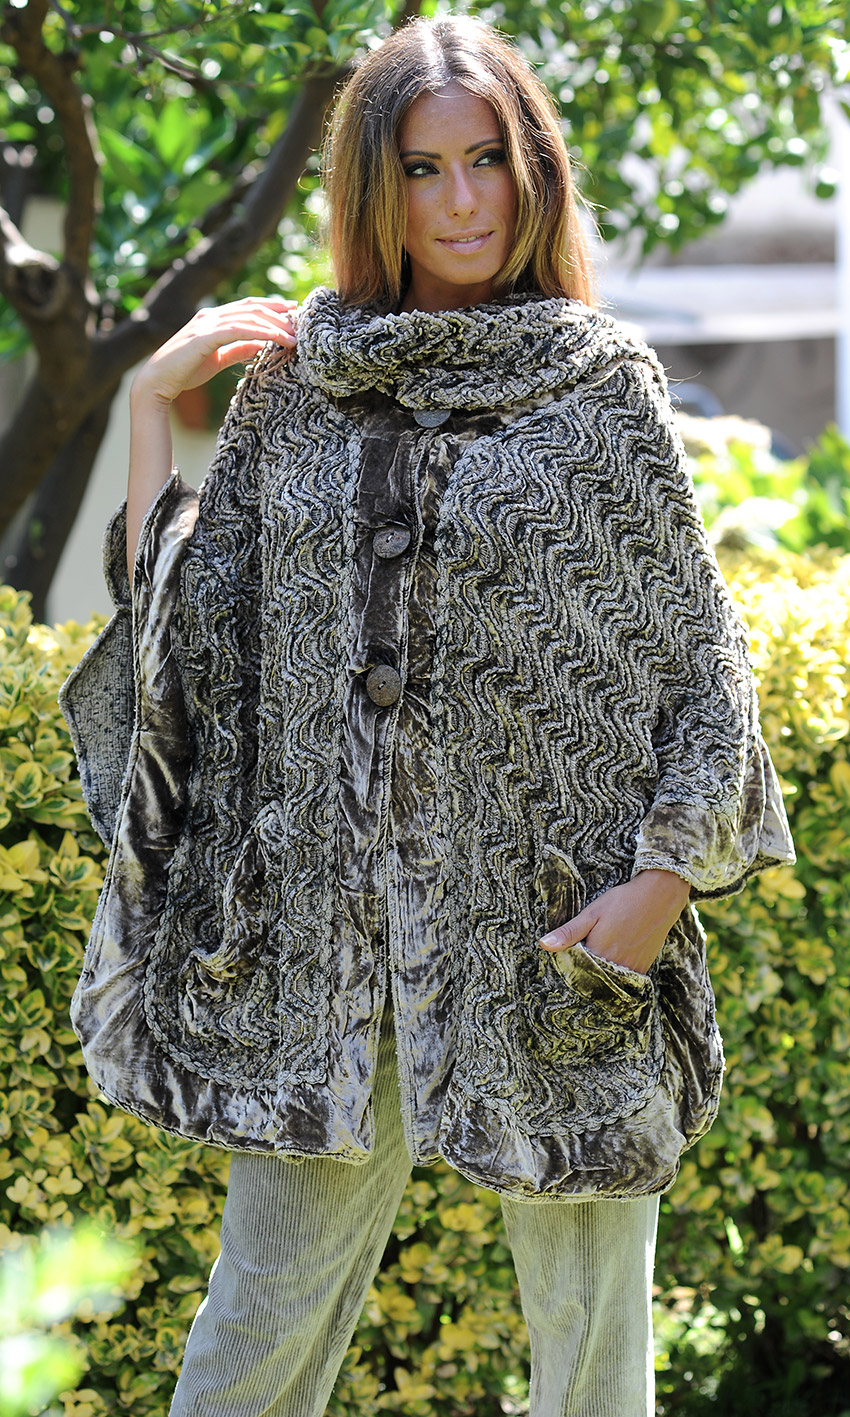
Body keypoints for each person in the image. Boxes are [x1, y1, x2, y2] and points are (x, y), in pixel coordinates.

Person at [59, 14, 795, 1417]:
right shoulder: (298, 389)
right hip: (325, 957)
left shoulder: (601, 391)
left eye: (486, 161)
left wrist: (660, 884)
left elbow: (704, 667)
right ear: (371, 187)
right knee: (250, 1344)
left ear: (533, 172)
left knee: (593, 1364)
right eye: (420, 168)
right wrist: (151, 401)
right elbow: (196, 654)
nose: (461, 201)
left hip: (557, 942)